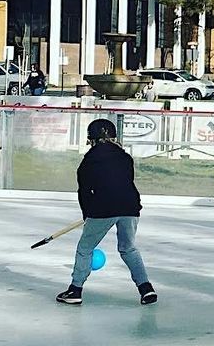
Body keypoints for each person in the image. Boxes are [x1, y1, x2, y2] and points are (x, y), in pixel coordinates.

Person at [56, 118, 157, 305]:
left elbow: (84, 192)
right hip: (130, 207)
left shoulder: (88, 161)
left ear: (91, 139)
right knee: (128, 248)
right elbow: (125, 183)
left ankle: (75, 290)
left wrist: (87, 213)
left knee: (85, 248)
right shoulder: (126, 157)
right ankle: (146, 289)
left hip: (103, 208)